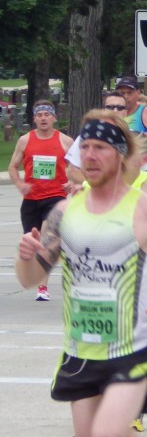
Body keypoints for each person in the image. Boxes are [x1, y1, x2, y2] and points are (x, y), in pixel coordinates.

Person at [14, 112, 147, 437]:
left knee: (110, 436)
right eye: (85, 147)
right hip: (80, 349)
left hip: (132, 347)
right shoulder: (65, 212)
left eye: (100, 147)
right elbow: (30, 278)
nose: (90, 155)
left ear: (119, 155)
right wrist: (26, 255)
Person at [8, 100, 73, 301]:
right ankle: (36, 278)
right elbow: (12, 166)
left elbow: (77, 168)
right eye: (39, 115)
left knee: (45, 239)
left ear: (54, 118)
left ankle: (42, 288)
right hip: (31, 200)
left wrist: (71, 181)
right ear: (34, 119)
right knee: (33, 241)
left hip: (55, 198)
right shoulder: (25, 140)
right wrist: (19, 184)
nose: (43, 118)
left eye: (47, 114)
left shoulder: (65, 141)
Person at [115, 76, 147, 161]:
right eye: (122, 93)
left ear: (138, 93)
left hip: (141, 168)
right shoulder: (111, 113)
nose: (126, 97)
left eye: (129, 93)